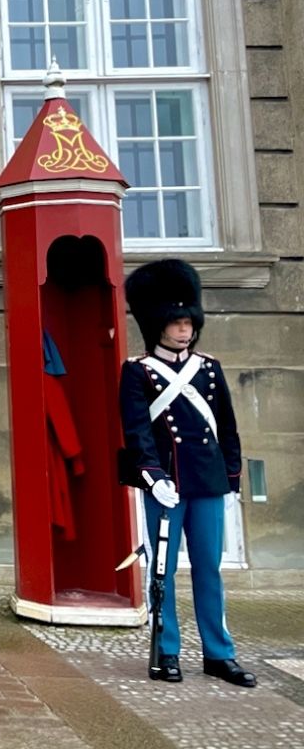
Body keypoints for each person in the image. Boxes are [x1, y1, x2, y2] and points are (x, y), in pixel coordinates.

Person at [120, 259, 255, 687]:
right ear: (158, 324)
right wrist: (153, 476)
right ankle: (167, 651)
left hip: (207, 482)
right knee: (162, 572)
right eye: (176, 323)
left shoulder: (210, 369)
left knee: (208, 568)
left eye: (187, 322)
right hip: (166, 486)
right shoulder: (138, 371)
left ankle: (219, 653)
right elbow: (137, 428)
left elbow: (227, 428)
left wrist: (231, 480)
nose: (184, 330)